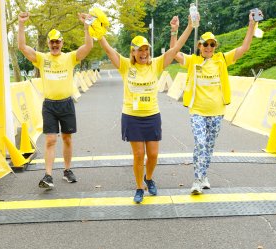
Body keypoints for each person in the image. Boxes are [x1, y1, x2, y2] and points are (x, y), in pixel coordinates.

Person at [96, 15, 197, 203]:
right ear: (133, 52)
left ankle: (148, 178)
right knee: (138, 155)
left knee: (152, 155)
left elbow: (176, 48)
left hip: (152, 115)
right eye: (139, 50)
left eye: (146, 50)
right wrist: (99, 33)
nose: (143, 53)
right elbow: (109, 51)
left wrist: (189, 27)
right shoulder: (126, 66)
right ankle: (139, 187)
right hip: (132, 116)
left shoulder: (156, 64)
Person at [170, 10, 263, 194]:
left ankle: (204, 176)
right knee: (200, 143)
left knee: (209, 147)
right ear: (199, 46)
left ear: (215, 46)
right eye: (205, 44)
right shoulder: (193, 61)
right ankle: (197, 180)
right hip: (197, 111)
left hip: (217, 112)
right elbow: (174, 53)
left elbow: (243, 49)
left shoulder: (221, 60)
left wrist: (252, 25)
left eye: (212, 45)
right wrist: (174, 31)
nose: (209, 47)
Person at [18, 12, 93, 189]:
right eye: (52, 42)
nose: (54, 45)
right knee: (51, 140)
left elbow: (88, 46)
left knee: (67, 138)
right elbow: (22, 47)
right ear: (48, 44)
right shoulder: (42, 59)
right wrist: (21, 24)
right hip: (50, 105)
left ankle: (67, 170)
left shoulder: (70, 57)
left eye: (57, 42)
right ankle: (48, 175)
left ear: (62, 43)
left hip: (66, 104)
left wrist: (87, 25)